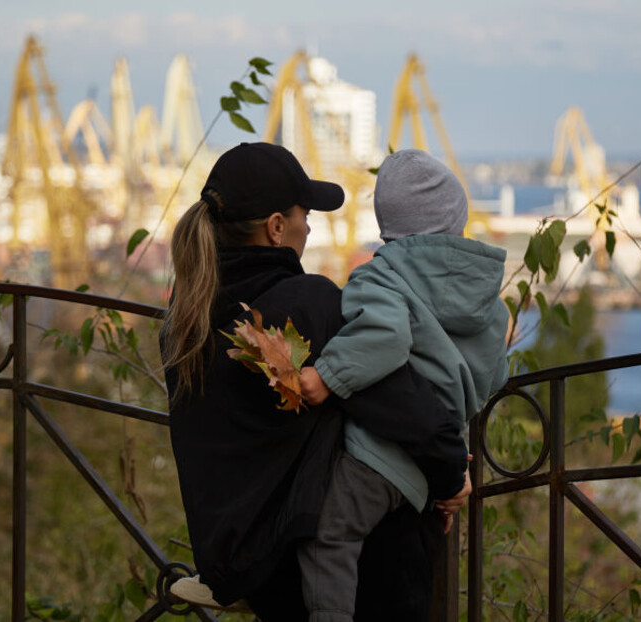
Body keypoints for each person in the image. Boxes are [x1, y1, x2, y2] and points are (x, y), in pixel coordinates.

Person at [161, 142, 471, 620]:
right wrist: (452, 473)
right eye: (305, 214)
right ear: (277, 227)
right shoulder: (307, 302)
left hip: (257, 572)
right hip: (348, 574)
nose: (310, 227)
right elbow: (401, 405)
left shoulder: (186, 317)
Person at [299, 148, 510, 622]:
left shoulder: (382, 277)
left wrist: (326, 376)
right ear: (457, 220)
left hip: (380, 455)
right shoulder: (487, 298)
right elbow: (495, 374)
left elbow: (386, 338)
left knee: (329, 536)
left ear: (387, 225)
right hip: (435, 462)